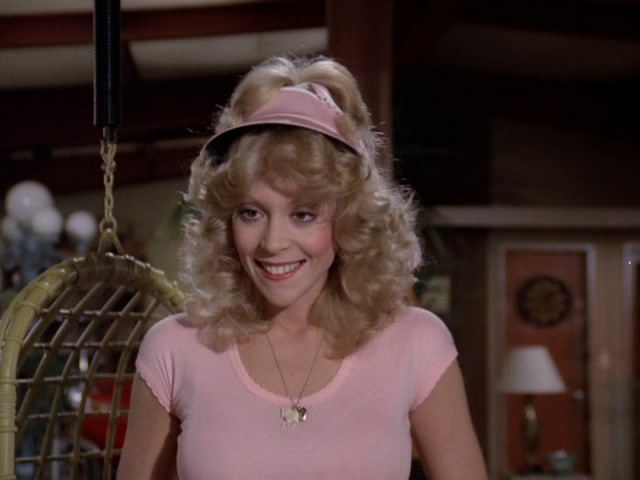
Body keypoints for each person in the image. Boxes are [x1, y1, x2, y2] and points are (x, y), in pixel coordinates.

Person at [117, 55, 488, 480]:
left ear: (349, 220)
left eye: (303, 214)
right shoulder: (174, 349)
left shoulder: (417, 343)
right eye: (251, 213)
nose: (273, 242)